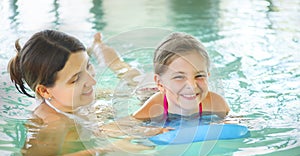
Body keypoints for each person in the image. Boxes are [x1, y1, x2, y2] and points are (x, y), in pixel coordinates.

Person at [7, 30, 156, 156]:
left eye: (88, 66)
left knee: (132, 77)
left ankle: (98, 47)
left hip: (88, 111)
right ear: (45, 91)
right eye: (75, 79)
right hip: (89, 118)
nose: (93, 81)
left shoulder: (71, 97)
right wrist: (108, 149)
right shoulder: (53, 123)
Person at [91, 32, 230, 120]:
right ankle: (98, 45)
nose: (192, 86)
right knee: (123, 70)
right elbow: (117, 129)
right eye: (179, 76)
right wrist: (147, 132)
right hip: (144, 91)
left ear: (208, 76)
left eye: (199, 75)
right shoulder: (155, 107)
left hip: (168, 88)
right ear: (160, 83)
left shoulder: (217, 103)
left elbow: (237, 122)